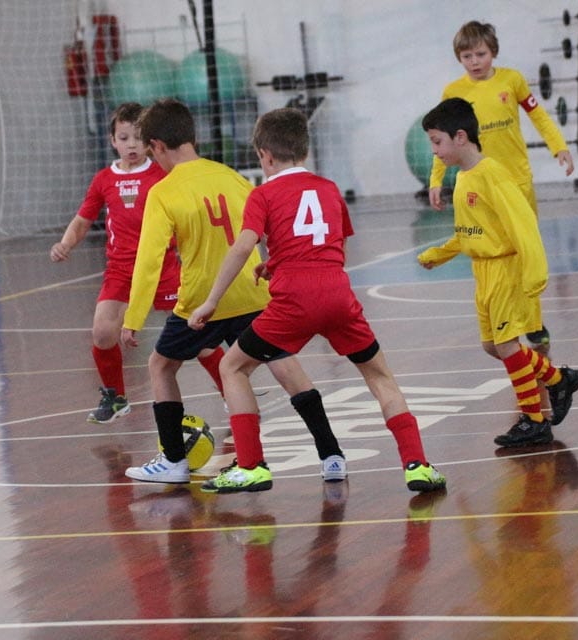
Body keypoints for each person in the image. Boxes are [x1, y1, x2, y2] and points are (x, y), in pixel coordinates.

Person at [189, 107, 446, 493]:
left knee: (232, 367)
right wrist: (281, 263)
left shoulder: (262, 194)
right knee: (379, 376)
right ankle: (417, 465)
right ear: (305, 151)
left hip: (293, 302)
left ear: (265, 155)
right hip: (338, 296)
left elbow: (243, 247)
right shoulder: (328, 189)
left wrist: (211, 301)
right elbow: (332, 246)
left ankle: (251, 466)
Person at [120, 99, 347, 484]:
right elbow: (268, 228)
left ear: (157, 146)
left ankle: (173, 461)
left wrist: (134, 317)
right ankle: (331, 455)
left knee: (160, 365)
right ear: (192, 136)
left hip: (202, 302)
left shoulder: (163, 191)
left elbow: (149, 261)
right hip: (252, 293)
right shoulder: (232, 177)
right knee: (285, 366)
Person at [417, 98, 578, 448]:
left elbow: (523, 225)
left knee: (507, 346)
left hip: (507, 269)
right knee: (492, 346)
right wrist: (439, 255)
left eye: (437, 141)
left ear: (460, 137)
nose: (434, 151)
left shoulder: (493, 174)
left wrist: (534, 272)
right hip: (483, 273)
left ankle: (534, 420)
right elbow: (469, 233)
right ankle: (559, 379)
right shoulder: (463, 178)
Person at [50, 102, 225, 424]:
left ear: (150, 142)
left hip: (162, 267)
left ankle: (230, 390)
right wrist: (65, 243)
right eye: (124, 137)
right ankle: (115, 398)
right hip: (121, 270)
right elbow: (83, 219)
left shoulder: (162, 174)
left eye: (138, 138)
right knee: (103, 332)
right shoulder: (104, 179)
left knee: (197, 334)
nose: (131, 145)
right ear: (112, 140)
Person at [428, 20, 574, 369]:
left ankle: (534, 324)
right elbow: (442, 138)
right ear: (459, 58)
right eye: (467, 56)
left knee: (524, 249)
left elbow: (539, 117)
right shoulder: (453, 92)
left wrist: (559, 147)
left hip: (517, 182)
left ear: (493, 52)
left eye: (480, 54)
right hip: (481, 188)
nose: (474, 61)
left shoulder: (513, 81)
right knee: (493, 253)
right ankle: (505, 320)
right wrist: (437, 179)